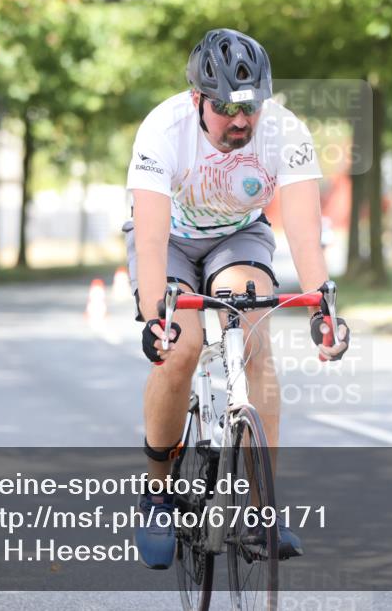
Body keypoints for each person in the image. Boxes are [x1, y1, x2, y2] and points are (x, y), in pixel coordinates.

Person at [123, 28, 350, 569]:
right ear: (198, 99)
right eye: (226, 108)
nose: (241, 120)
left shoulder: (285, 132)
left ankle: (258, 508)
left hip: (237, 237)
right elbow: (151, 239)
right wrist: (158, 318)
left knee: (252, 331)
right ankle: (157, 494)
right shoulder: (163, 129)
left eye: (250, 107)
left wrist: (325, 310)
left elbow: (302, 231)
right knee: (180, 347)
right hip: (171, 240)